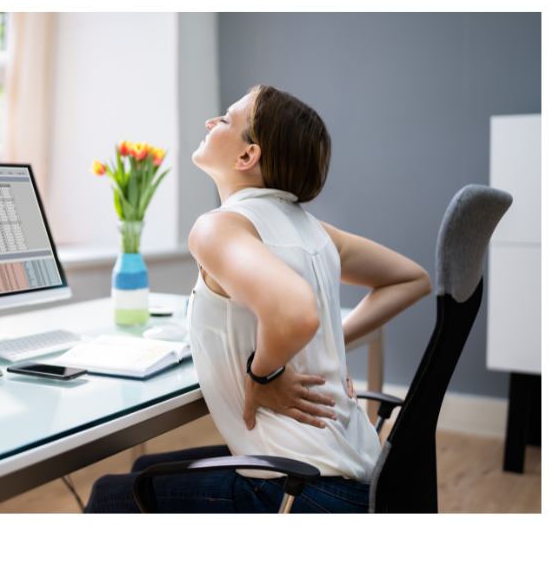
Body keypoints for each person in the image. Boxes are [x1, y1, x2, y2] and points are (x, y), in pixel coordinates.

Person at [84, 85, 432, 514]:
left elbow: (294, 311)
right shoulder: (316, 231)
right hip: (367, 485)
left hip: (299, 494)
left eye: (227, 119)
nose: (212, 122)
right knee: (148, 466)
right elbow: (412, 279)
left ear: (247, 157)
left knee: (106, 495)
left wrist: (263, 375)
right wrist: (326, 342)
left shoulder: (218, 227)